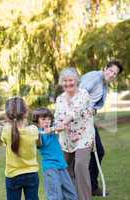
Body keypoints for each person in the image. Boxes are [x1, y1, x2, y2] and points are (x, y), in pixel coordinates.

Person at [79, 60, 123, 196]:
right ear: (105, 68)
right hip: (79, 120)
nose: (111, 75)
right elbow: (80, 94)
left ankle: (92, 186)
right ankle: (80, 187)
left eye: (114, 74)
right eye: (110, 71)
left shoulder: (104, 84)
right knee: (80, 154)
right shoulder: (95, 77)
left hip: (88, 119)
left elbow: (94, 104)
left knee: (97, 151)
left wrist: (91, 111)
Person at [54, 67, 95, 200]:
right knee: (64, 169)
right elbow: (57, 117)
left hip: (83, 136)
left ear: (76, 80)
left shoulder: (83, 94)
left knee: (80, 166)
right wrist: (56, 126)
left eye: (70, 80)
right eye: (64, 81)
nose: (68, 84)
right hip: (65, 139)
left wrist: (64, 122)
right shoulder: (60, 99)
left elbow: (76, 111)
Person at [32, 108, 77, 200]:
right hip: (51, 168)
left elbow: (62, 127)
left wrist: (53, 129)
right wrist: (44, 131)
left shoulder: (52, 130)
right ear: (37, 122)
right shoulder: (38, 134)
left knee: (71, 195)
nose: (47, 121)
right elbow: (38, 141)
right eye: (43, 119)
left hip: (62, 166)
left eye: (48, 119)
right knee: (55, 196)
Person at [1, 97, 39, 200]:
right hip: (31, 173)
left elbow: (4, 140)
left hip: (13, 175)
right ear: (26, 113)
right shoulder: (34, 130)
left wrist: (8, 124)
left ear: (8, 115)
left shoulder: (6, 130)